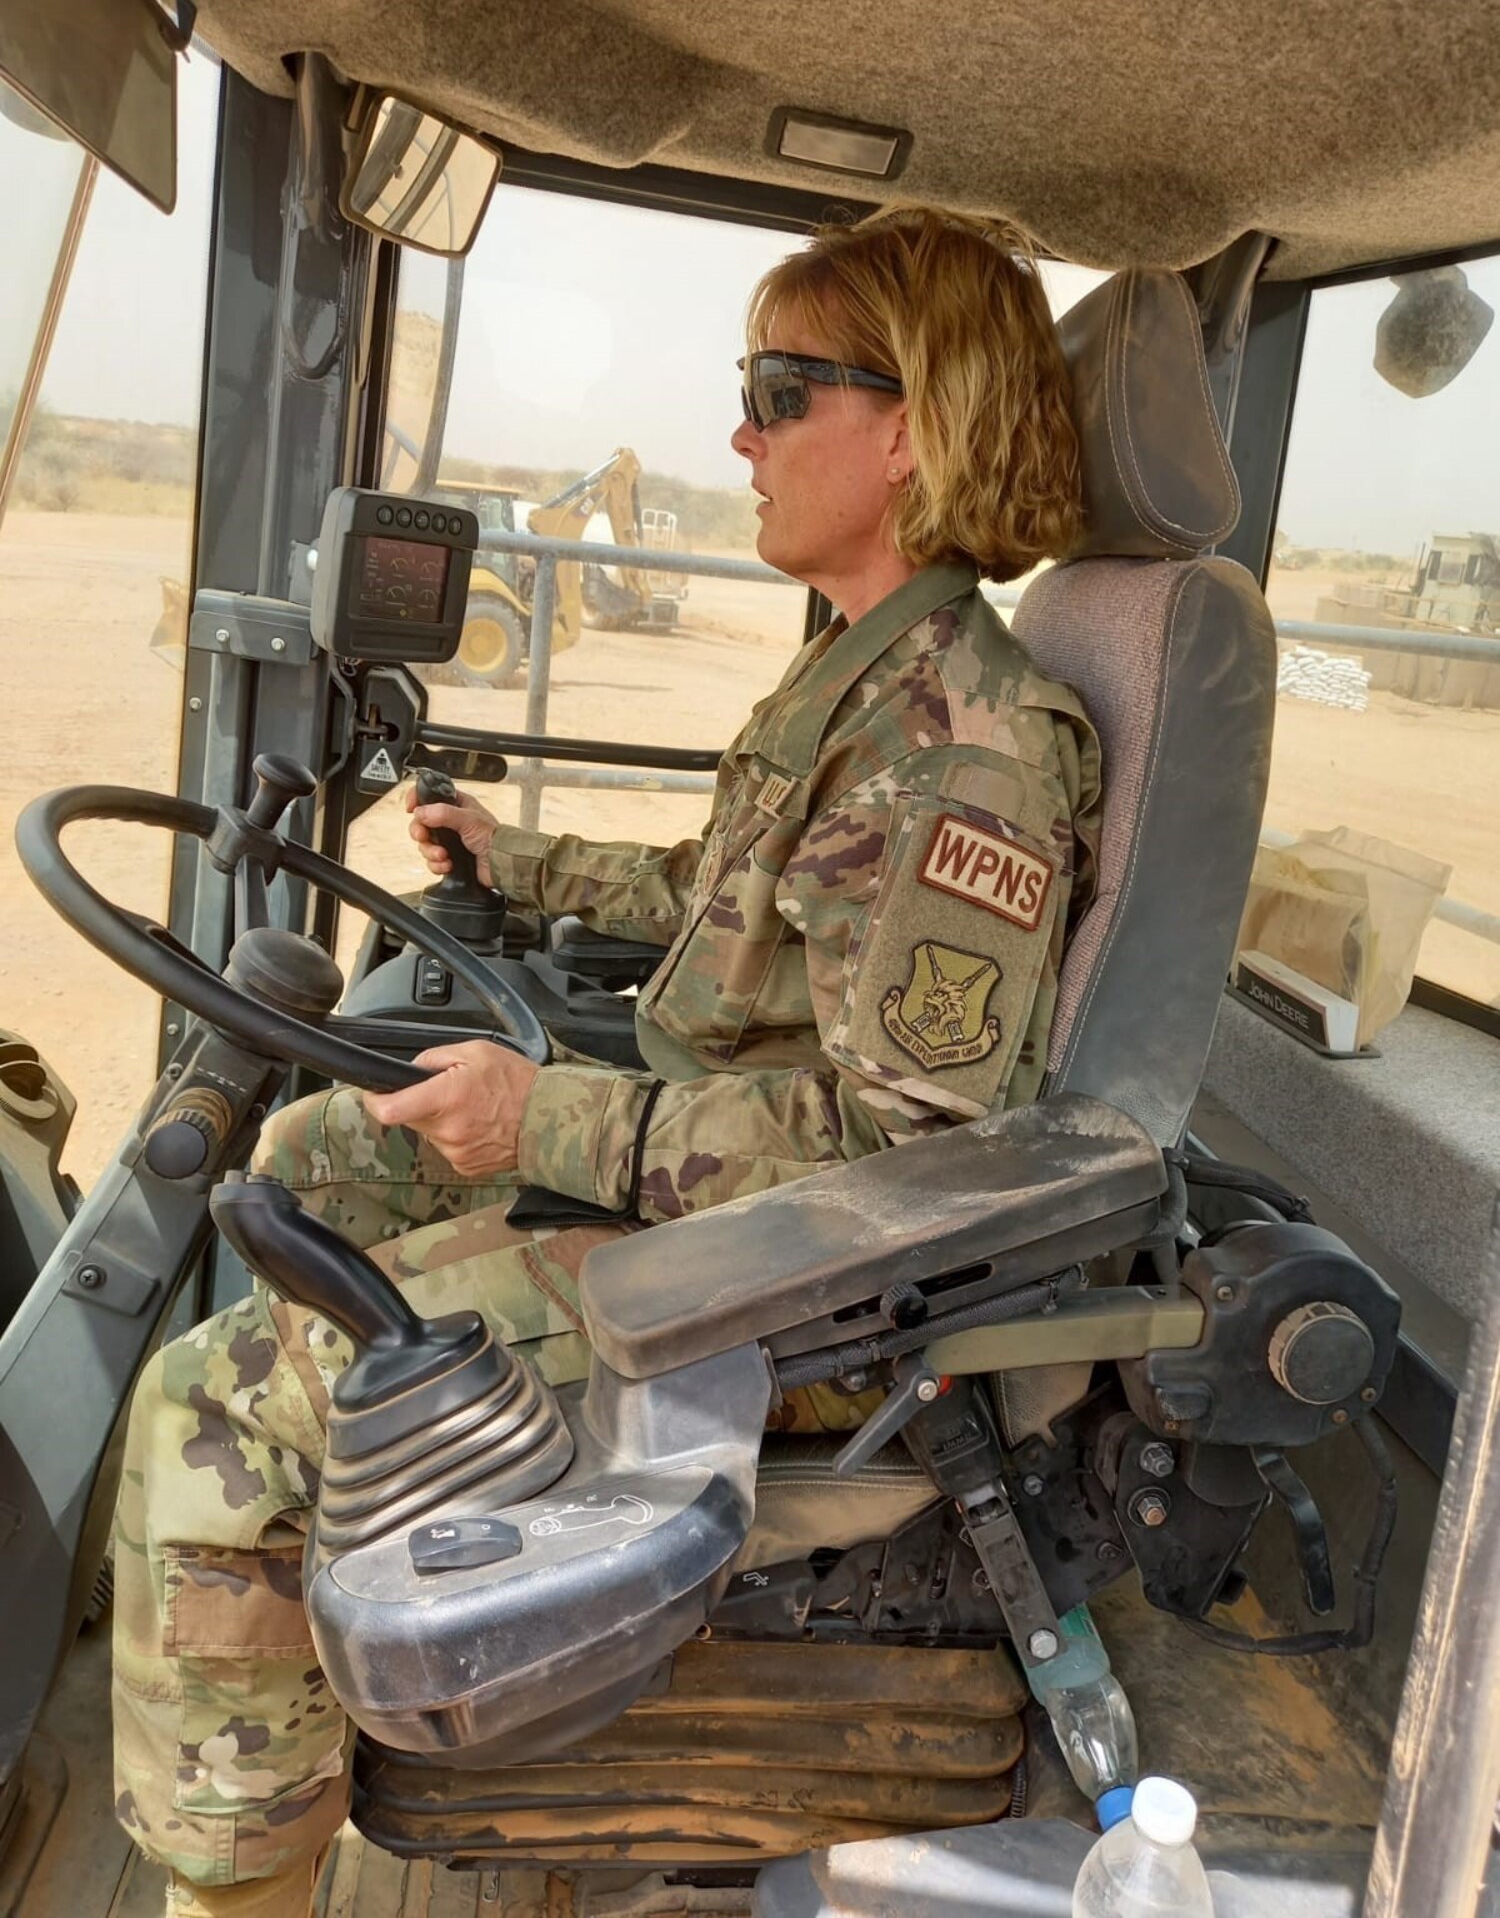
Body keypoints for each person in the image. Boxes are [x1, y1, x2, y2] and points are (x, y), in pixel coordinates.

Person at [112, 205, 1101, 1915]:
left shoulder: (973, 747)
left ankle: (231, 1875)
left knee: (206, 1405)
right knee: (311, 1163)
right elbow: (736, 914)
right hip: (708, 1187)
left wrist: (542, 1111)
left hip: (797, 1296)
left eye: (786, 389)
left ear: (912, 430)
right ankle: (394, 1641)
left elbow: (903, 1145)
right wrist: (527, 860)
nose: (742, 429)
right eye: (750, 383)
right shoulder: (860, 685)